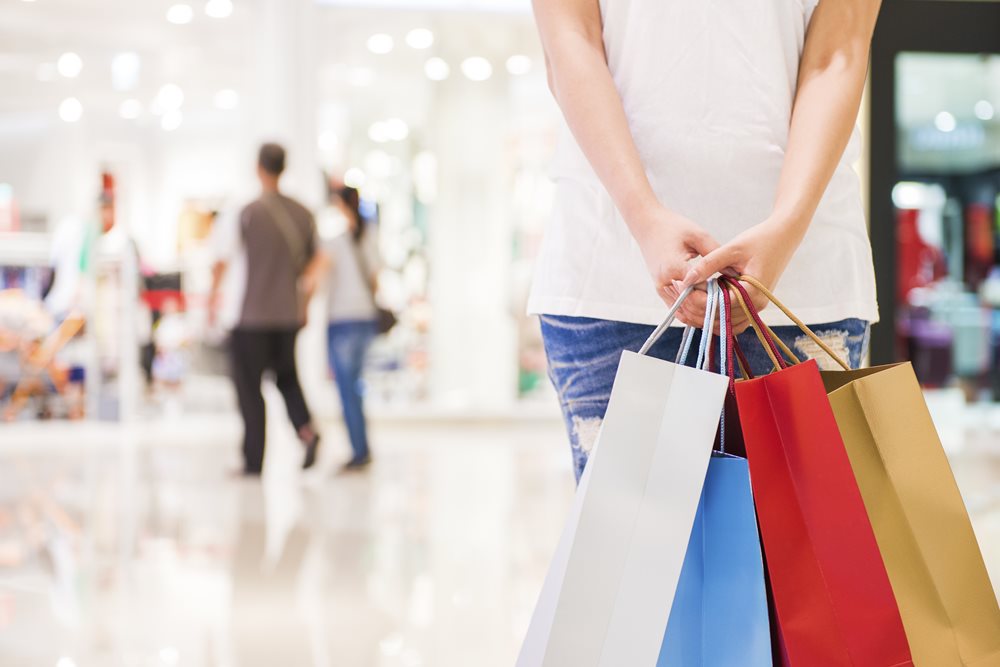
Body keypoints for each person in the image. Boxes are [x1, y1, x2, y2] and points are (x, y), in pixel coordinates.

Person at [528, 0, 881, 482]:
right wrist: (644, 217)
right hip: (613, 276)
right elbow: (569, 42)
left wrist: (786, 226)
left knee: (799, 553)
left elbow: (840, 52)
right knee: (630, 552)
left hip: (801, 283)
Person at [209, 143, 325, 476]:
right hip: (288, 314)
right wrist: (304, 303)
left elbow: (222, 261)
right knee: (287, 378)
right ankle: (307, 431)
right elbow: (315, 265)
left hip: (251, 316)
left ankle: (253, 459)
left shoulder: (245, 212)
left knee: (249, 387)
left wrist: (212, 301)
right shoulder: (304, 214)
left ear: (259, 168)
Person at [322, 185, 381, 471]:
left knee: (347, 389)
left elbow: (316, 274)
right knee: (355, 387)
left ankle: (359, 451)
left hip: (342, 319)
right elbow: (375, 280)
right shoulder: (369, 236)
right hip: (365, 318)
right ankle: (362, 447)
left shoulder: (333, 242)